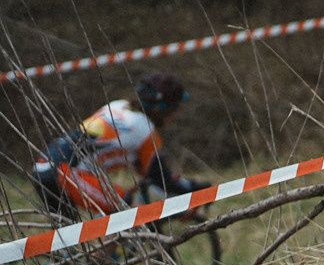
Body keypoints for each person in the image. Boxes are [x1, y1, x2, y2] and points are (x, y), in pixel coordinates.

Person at [29, 71, 210, 223]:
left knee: (68, 242)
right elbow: (160, 178)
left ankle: (72, 264)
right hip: (64, 173)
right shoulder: (146, 130)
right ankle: (99, 264)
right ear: (160, 109)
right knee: (127, 213)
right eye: (175, 109)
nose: (177, 115)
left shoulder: (119, 106)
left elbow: (146, 171)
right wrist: (195, 189)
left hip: (44, 167)